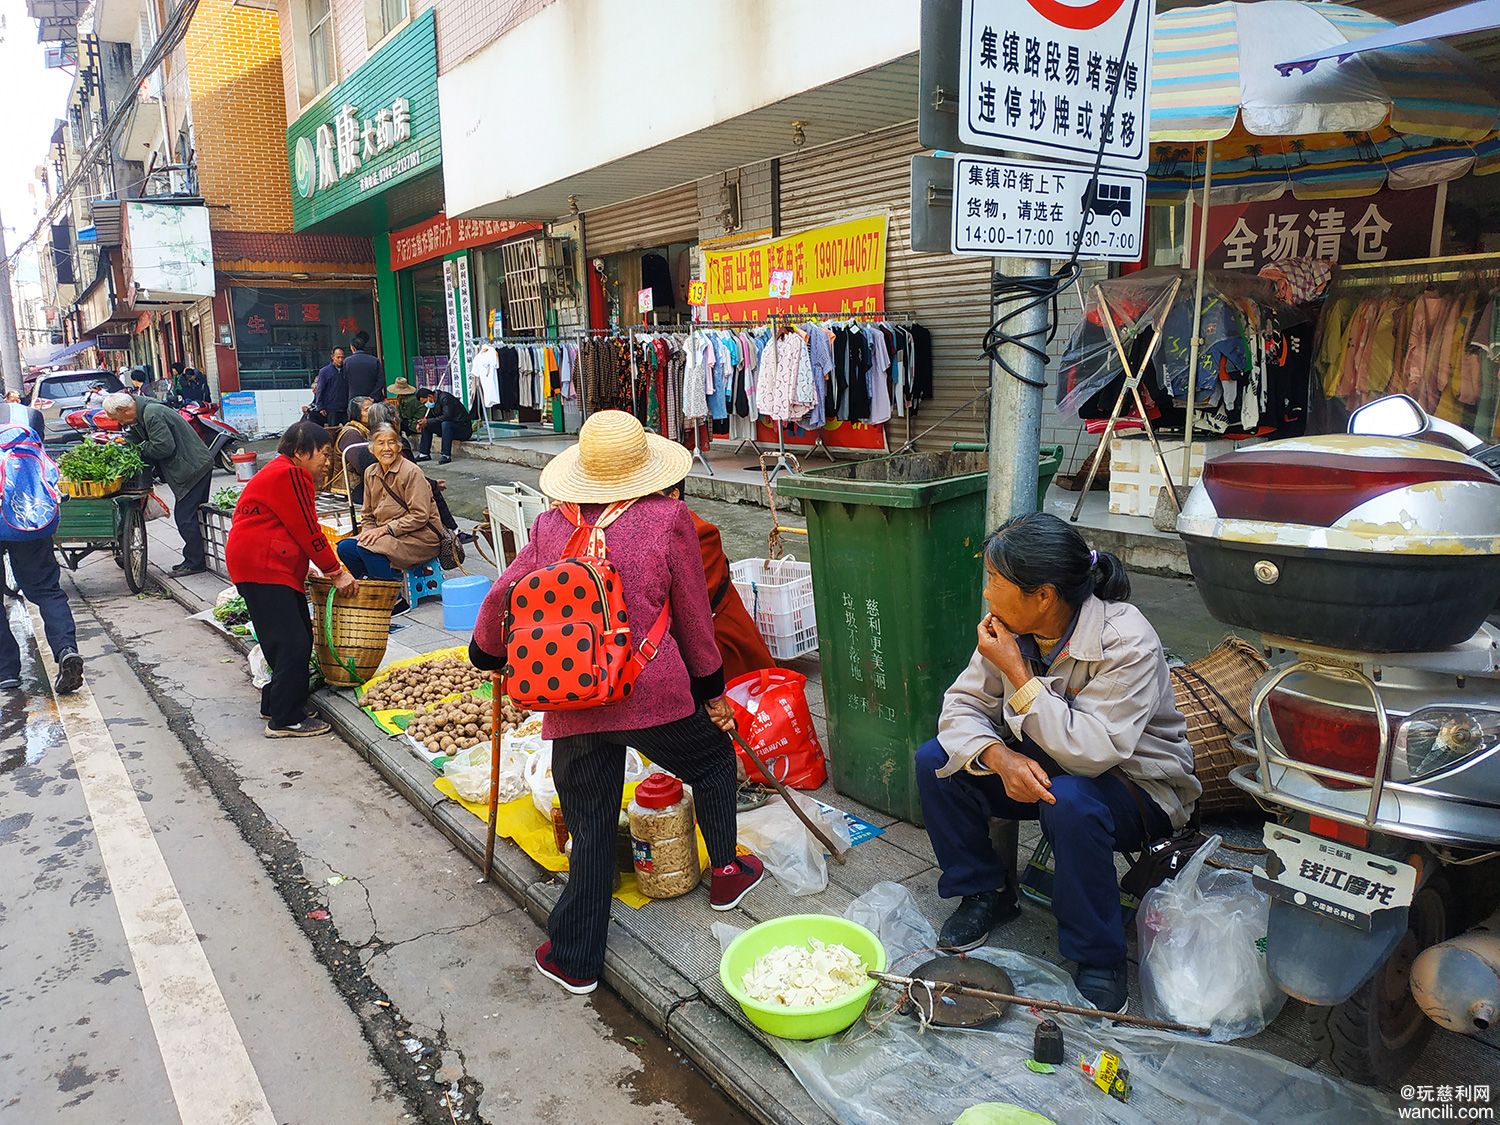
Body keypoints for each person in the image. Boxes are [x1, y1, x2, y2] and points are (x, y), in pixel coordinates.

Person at [469, 410, 765, 996]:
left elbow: (506, 590)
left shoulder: (552, 525)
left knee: (592, 819)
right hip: (651, 690)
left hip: (569, 697)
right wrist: (710, 691)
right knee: (709, 763)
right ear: (647, 469)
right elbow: (693, 620)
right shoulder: (669, 519)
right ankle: (727, 872)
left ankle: (577, 956)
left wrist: (485, 650)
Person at [914, 512, 1200, 1013]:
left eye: (996, 582)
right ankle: (985, 893)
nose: (987, 595)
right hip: (1048, 765)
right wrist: (996, 755)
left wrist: (1018, 676)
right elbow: (960, 708)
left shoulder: (1126, 639)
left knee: (1070, 801)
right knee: (937, 760)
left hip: (1136, 788)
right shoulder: (1010, 628)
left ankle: (1099, 955)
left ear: (1043, 595)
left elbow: (1093, 752)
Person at [226, 421, 357, 737]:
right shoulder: (292, 474)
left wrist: (301, 566)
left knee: (283, 636)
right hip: (264, 566)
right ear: (301, 452)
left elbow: (282, 525)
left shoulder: (277, 470)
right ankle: (285, 720)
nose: (327, 462)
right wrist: (335, 571)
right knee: (293, 642)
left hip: (257, 563)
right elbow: (307, 528)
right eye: (323, 454)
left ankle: (277, 703)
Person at [0, 400, 84, 694]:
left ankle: (6, 671)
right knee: (47, 591)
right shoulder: (29, 416)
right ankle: (65, 650)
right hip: (28, 516)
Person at [661, 479, 775, 682]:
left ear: (674, 496)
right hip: (674, 649)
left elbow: (691, 606)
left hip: (720, 647)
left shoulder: (700, 534)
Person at [103, 389, 214, 577]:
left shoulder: (152, 413)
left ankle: (195, 563)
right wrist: (123, 445)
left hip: (192, 467)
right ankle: (196, 558)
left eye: (118, 418)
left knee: (185, 516)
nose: (119, 423)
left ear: (124, 409)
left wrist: (139, 447)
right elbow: (135, 437)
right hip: (190, 465)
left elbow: (163, 446)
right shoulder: (141, 413)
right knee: (192, 515)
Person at [336, 423, 441, 587]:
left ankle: (395, 598)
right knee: (345, 548)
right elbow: (367, 515)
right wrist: (368, 533)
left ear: (399, 446)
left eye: (391, 442)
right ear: (371, 448)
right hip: (389, 536)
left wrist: (383, 530)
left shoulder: (411, 472)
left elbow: (420, 516)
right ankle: (371, 588)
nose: (387, 448)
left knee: (369, 548)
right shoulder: (370, 472)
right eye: (381, 443)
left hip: (420, 537)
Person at [412, 385, 473, 464]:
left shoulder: (445, 398)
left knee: (445, 423)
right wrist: (421, 423)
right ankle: (424, 453)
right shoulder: (432, 403)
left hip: (462, 429)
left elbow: (447, 416)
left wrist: (428, 421)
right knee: (426, 424)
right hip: (448, 430)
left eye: (425, 402)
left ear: (430, 396)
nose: (425, 405)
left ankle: (446, 455)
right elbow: (428, 418)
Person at [343, 331, 386, 415]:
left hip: (354, 400)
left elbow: (344, 380)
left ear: (352, 348)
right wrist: (373, 396)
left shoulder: (347, 361)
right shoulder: (374, 360)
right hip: (373, 400)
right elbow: (381, 380)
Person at [306, 347, 348, 427]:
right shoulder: (325, 371)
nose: (340, 360)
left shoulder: (347, 370)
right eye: (338, 357)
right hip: (332, 408)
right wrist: (320, 406)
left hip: (345, 407)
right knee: (333, 430)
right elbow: (320, 389)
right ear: (332, 357)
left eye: (342, 357)